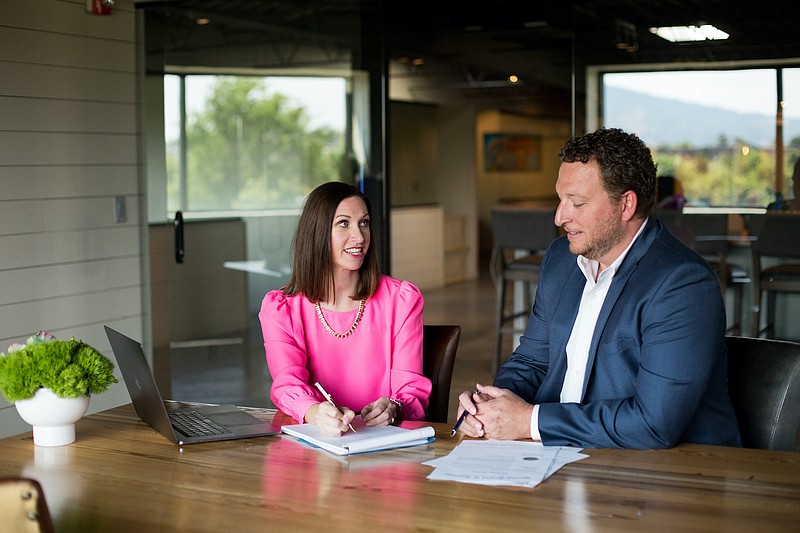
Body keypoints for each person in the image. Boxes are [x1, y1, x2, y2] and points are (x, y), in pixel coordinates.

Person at [456, 128, 742, 449]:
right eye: (560, 199)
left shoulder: (681, 283)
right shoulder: (560, 260)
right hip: (566, 452)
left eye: (576, 203)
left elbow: (653, 424)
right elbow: (533, 361)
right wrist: (489, 405)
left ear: (626, 205)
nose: (560, 217)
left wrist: (528, 420)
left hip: (672, 471)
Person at [260, 181, 431, 436]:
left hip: (384, 448)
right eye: (344, 223)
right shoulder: (281, 308)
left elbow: (410, 390)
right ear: (317, 233)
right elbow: (288, 384)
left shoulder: (401, 300)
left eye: (364, 223)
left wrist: (395, 407)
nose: (359, 237)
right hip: (314, 448)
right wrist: (315, 412)